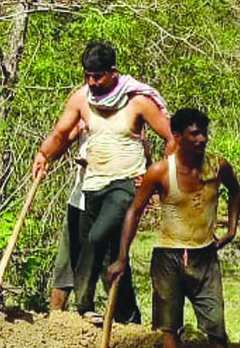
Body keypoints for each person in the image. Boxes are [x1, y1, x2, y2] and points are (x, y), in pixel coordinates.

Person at [108, 108, 240, 348]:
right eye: (194, 134)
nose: (202, 139)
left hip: (205, 256)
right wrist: (122, 257)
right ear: (178, 137)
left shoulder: (217, 166)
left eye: (204, 133)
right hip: (168, 257)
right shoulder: (160, 172)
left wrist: (231, 229)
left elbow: (236, 190)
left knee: (216, 327)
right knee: (170, 326)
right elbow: (134, 211)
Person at [41, 41, 171, 317]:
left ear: (113, 72)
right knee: (106, 253)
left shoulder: (137, 101)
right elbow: (61, 133)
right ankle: (117, 317)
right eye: (87, 76)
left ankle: (88, 307)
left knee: (96, 237)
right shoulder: (81, 98)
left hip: (126, 184)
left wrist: (158, 177)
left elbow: (172, 137)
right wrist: (44, 156)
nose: (92, 82)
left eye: (98, 76)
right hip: (92, 184)